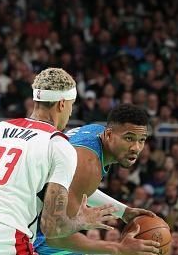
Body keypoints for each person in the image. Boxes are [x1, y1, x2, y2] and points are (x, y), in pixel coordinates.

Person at [0, 68, 117, 255]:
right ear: (62, 104)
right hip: (1, 234)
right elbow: (52, 227)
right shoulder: (58, 144)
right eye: (71, 105)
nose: (70, 113)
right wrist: (81, 221)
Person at [34, 104, 161, 255]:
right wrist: (118, 248)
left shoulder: (95, 132)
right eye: (129, 138)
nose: (136, 147)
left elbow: (78, 187)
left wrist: (124, 212)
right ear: (108, 135)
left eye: (141, 140)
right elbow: (55, 236)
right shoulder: (88, 164)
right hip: (33, 233)